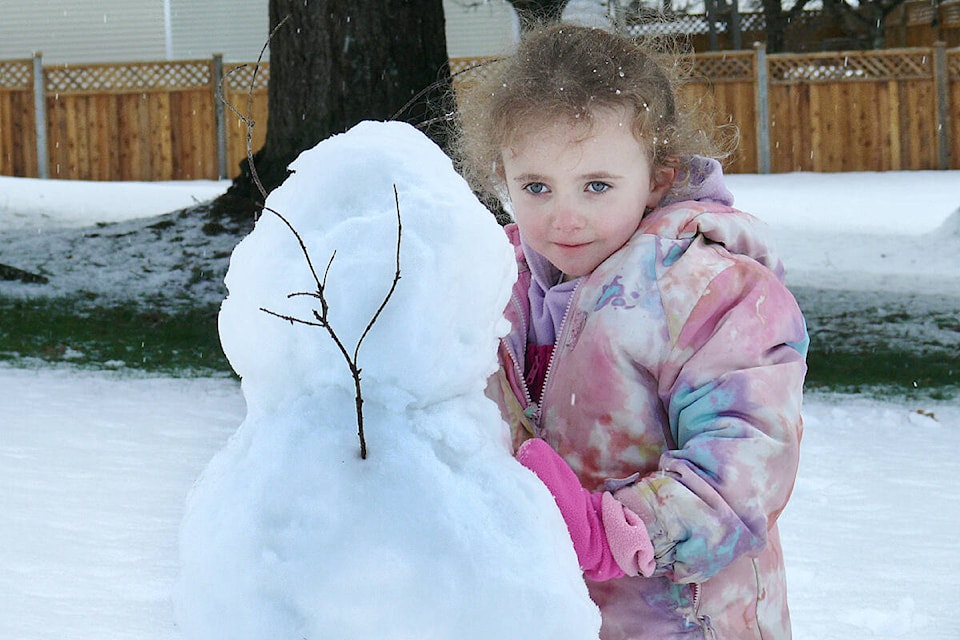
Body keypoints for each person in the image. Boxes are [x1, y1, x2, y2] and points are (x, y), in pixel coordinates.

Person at [454, 24, 808, 639]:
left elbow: (748, 459)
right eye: (536, 186)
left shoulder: (705, 291)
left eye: (596, 186)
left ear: (658, 174)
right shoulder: (492, 284)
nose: (564, 217)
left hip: (689, 619)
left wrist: (617, 531)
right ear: (501, 176)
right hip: (552, 610)